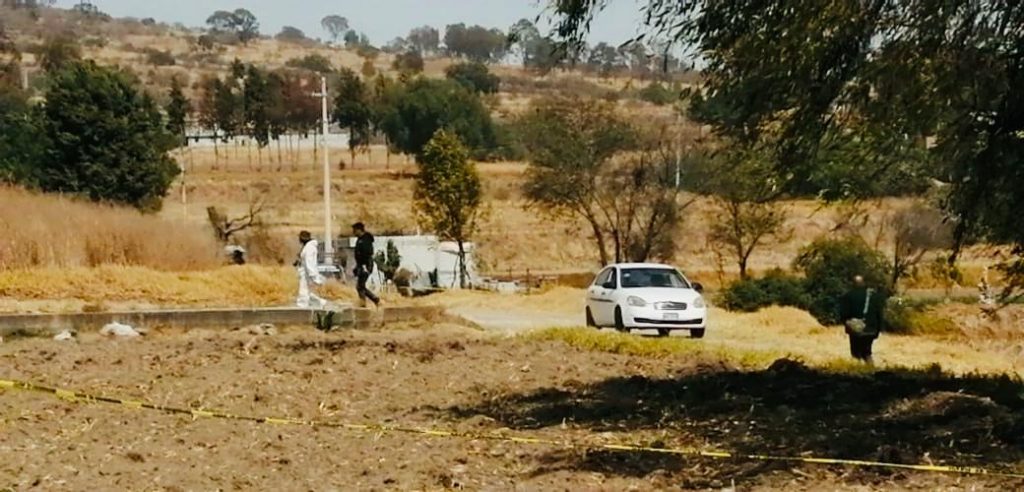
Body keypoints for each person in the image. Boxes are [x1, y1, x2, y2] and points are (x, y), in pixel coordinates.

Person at [838, 275, 886, 364]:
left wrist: (847, 323)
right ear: (864, 283)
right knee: (867, 353)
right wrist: (880, 329)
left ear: (853, 284)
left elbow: (843, 314)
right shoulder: (874, 296)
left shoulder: (848, 296)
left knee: (856, 354)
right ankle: (872, 372)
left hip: (855, 330)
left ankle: (858, 374)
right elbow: (879, 313)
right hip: (870, 329)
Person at [295, 230, 327, 308]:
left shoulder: (309, 248)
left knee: (303, 293)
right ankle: (321, 302)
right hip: (306, 273)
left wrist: (313, 276)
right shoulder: (307, 247)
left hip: (307, 274)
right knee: (307, 292)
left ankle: (302, 309)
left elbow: (309, 262)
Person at [352, 222, 381, 307]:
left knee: (360, 286)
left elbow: (367, 253)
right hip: (362, 265)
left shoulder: (365, 239)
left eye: (355, 230)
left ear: (359, 230)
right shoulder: (360, 239)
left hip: (366, 265)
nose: (353, 232)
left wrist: (364, 266)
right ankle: (370, 300)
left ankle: (368, 301)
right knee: (360, 286)